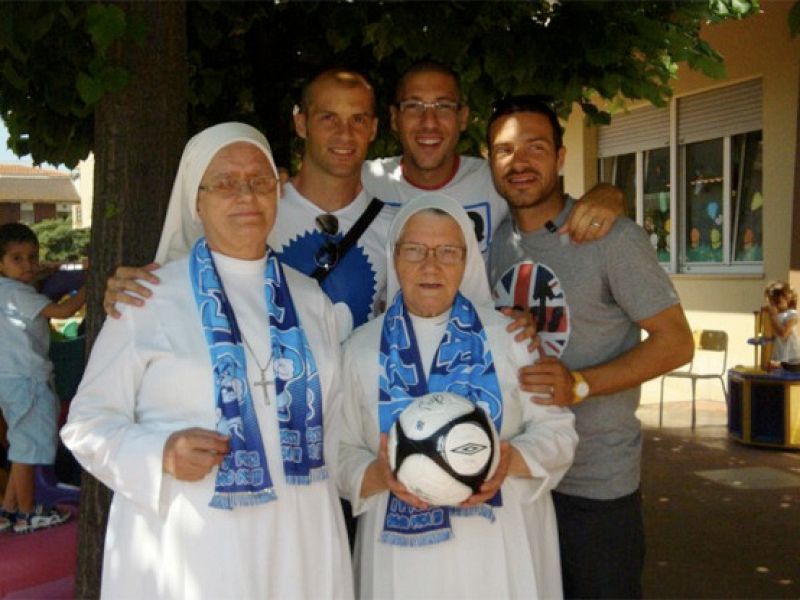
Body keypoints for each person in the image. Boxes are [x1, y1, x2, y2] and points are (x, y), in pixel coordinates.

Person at [60, 123, 353, 599]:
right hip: (192, 541)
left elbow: (336, 423)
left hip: (300, 538)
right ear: (196, 200)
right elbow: (87, 423)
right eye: (225, 182)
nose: (246, 194)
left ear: (278, 192)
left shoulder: (310, 299)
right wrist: (161, 453)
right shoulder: (148, 298)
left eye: (259, 181)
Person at [485, 95, 694, 599]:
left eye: (536, 147)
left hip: (596, 487)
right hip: (522, 478)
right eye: (505, 150)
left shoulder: (611, 237)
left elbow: (676, 343)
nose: (520, 162)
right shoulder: (494, 243)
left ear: (559, 157)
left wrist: (579, 384)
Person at [338, 194, 578, 599]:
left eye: (447, 251)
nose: (430, 265)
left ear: (465, 260)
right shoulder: (359, 349)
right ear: (395, 258)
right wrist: (378, 474)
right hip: (399, 558)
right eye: (415, 250)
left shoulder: (512, 338)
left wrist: (509, 461)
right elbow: (338, 448)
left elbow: (559, 433)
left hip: (497, 547)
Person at [362, 60, 625, 257]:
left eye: (443, 106)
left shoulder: (495, 180)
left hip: (488, 329)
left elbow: (550, 204)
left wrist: (609, 193)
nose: (428, 122)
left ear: (463, 118)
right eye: (414, 106)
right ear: (395, 118)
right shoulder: (364, 182)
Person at [0, 222, 86, 533]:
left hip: (10, 381)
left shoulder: (5, 290)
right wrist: (93, 285)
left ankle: (9, 509)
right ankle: (28, 512)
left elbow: (31, 276)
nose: (28, 266)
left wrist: (42, 271)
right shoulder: (18, 294)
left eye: (32, 258)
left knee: (20, 445)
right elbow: (62, 313)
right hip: (29, 382)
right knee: (28, 449)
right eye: (17, 258)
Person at [763, 281, 799, 366]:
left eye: (775, 303)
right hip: (779, 355)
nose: (773, 306)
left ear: (786, 299)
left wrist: (773, 316)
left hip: (792, 357)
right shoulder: (776, 315)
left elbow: (783, 334)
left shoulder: (792, 314)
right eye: (770, 303)